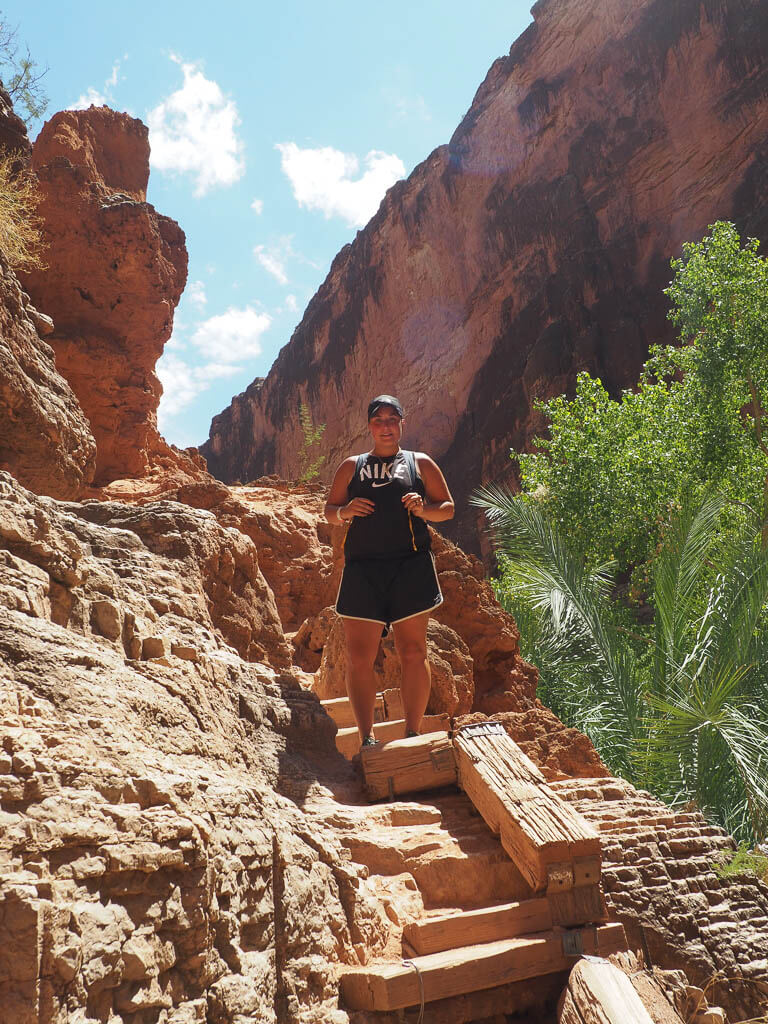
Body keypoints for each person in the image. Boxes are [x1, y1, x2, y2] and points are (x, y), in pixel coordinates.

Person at [324, 395, 455, 749]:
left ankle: (412, 733)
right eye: (379, 420)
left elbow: (447, 508)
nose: (386, 426)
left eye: (392, 419)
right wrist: (346, 510)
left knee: (413, 651)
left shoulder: (419, 463)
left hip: (410, 566)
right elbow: (329, 510)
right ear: (369, 426)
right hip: (363, 570)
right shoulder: (352, 466)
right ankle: (367, 739)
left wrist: (424, 509)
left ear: (401, 423)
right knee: (359, 658)